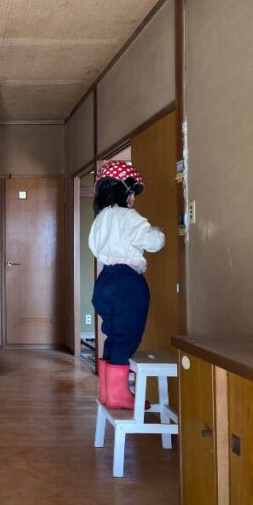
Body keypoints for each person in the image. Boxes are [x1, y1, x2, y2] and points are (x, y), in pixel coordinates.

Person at [89, 160, 164, 410]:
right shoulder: (128, 216)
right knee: (127, 336)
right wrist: (158, 232)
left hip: (104, 281)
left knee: (113, 335)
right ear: (123, 191)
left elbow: (95, 247)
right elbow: (152, 242)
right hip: (127, 282)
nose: (133, 199)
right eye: (131, 193)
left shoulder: (101, 219)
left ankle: (107, 391)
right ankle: (119, 394)